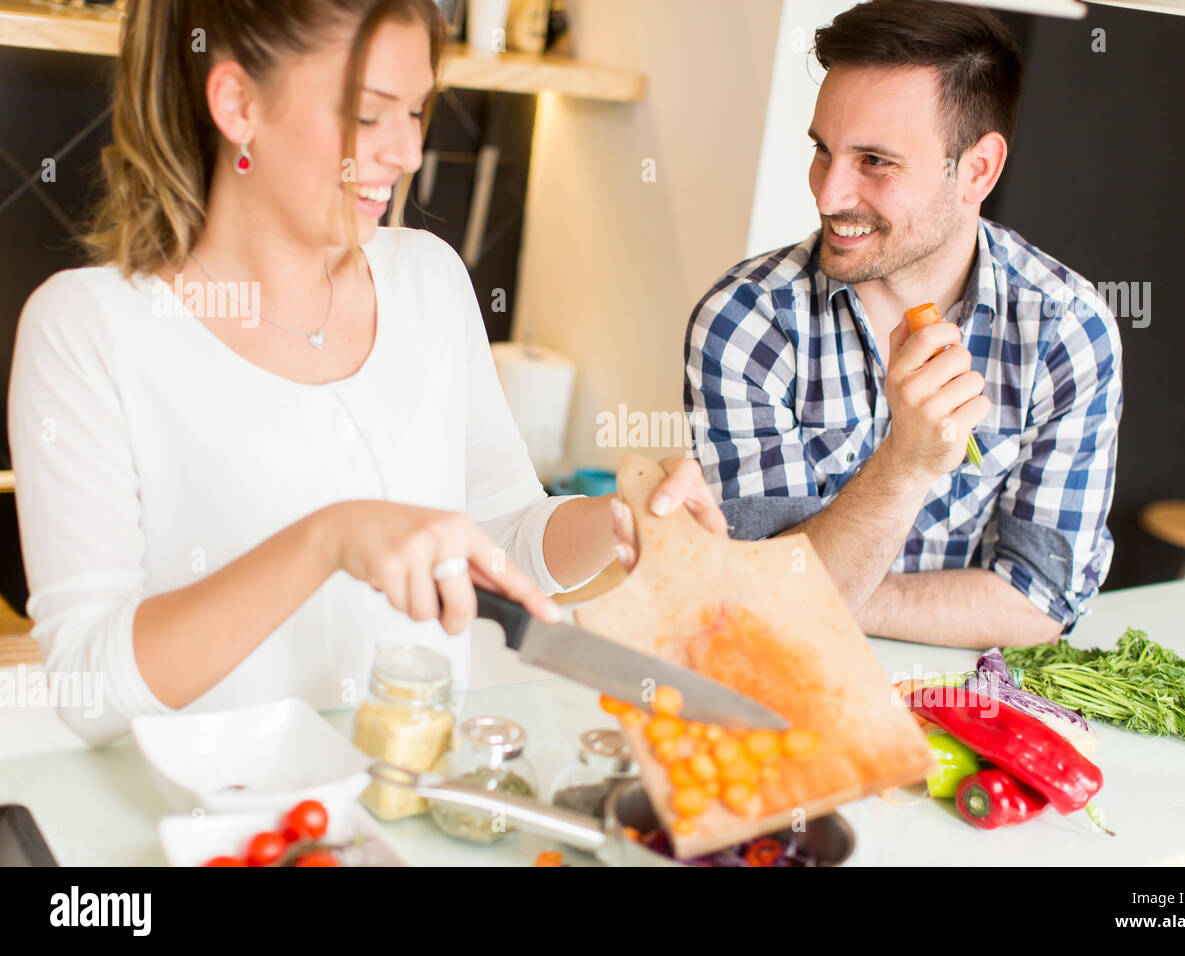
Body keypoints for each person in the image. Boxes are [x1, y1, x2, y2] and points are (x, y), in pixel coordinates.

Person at [7, 0, 724, 747]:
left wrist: (619, 525)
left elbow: (503, 533)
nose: (408, 152)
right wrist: (327, 539)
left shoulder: (428, 279)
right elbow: (88, 688)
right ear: (238, 104)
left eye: (416, 111)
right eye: (370, 113)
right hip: (219, 835)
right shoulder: (89, 328)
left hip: (413, 805)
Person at [684, 0, 1123, 648]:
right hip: (775, 689)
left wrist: (835, 588)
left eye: (875, 162)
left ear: (977, 169)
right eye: (823, 150)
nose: (828, 195)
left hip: (967, 712)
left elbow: (1041, 604)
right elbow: (764, 605)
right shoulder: (746, 323)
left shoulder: (1065, 330)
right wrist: (907, 464)